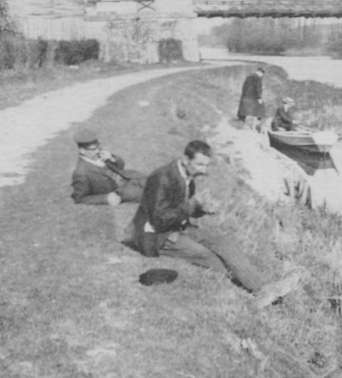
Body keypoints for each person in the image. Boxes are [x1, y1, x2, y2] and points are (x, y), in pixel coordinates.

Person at [124, 140, 294, 303]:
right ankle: (258, 289)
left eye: (206, 165)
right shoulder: (161, 178)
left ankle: (264, 288)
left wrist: (201, 209)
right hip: (155, 235)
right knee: (208, 256)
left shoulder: (187, 176)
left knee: (223, 242)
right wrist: (191, 205)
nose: (203, 169)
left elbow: (182, 210)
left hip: (178, 226)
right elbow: (159, 218)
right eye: (199, 164)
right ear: (185, 160)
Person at [70, 129, 146, 206]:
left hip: (130, 178)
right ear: (82, 151)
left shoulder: (100, 155)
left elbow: (121, 166)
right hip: (121, 191)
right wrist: (105, 198)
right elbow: (79, 198)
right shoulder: (81, 172)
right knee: (152, 193)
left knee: (154, 182)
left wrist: (111, 158)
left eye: (98, 147)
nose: (98, 151)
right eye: (93, 149)